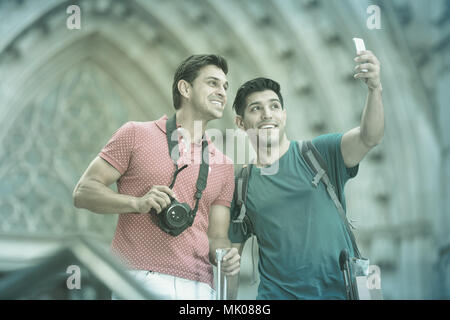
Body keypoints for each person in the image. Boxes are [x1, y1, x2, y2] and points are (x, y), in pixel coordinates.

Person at [73, 54, 240, 300]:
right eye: (213, 83)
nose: (222, 92)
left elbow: (217, 236)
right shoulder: (135, 133)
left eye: (225, 86)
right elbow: (83, 192)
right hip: (137, 279)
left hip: (200, 288)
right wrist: (136, 203)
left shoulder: (225, 165)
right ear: (185, 88)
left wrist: (227, 255)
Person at [228, 50, 384, 299]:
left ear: (284, 115)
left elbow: (370, 136)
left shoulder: (318, 153)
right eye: (256, 109)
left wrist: (374, 88)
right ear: (240, 123)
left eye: (274, 106)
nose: (267, 114)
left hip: (339, 293)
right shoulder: (241, 185)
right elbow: (230, 262)